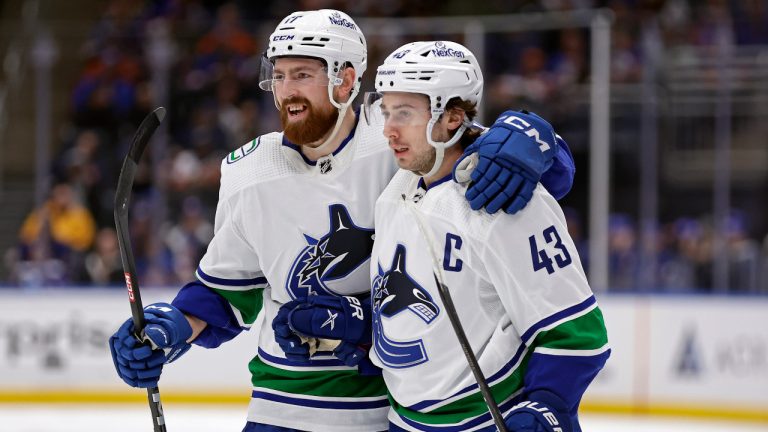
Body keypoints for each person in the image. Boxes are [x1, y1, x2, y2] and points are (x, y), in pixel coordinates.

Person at [108, 10, 575, 432]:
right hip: (282, 403)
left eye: (303, 75)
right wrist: (171, 328)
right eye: (279, 75)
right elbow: (230, 291)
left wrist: (533, 140)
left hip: (386, 403)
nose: (287, 90)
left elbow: (533, 171)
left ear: (345, 80)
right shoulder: (248, 171)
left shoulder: (400, 138)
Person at [273, 41, 609, 431]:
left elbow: (577, 332)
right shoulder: (397, 190)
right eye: (386, 111)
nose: (389, 130)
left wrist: (548, 405)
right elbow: (432, 309)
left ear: (451, 117)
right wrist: (355, 324)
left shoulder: (502, 201)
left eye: (404, 113)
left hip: (488, 418)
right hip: (404, 422)